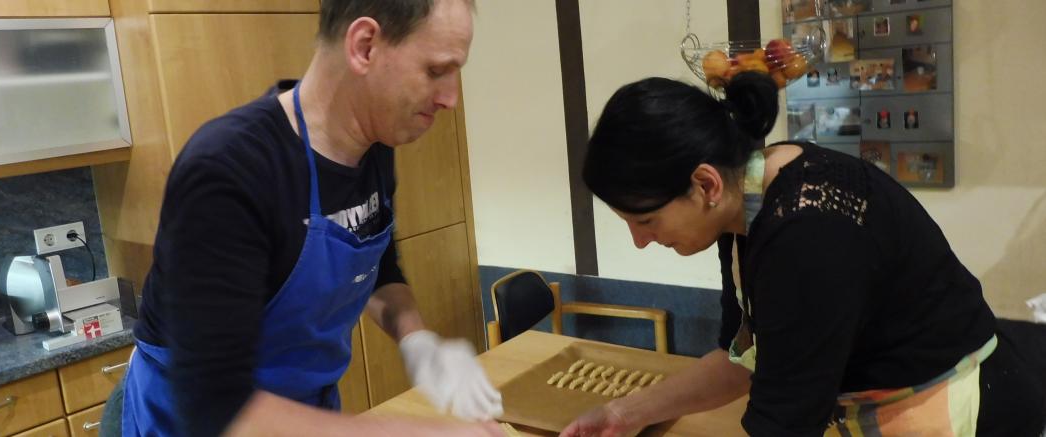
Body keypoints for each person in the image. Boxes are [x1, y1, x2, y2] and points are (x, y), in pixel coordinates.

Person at [560, 72, 1046, 436]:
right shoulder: (748, 199)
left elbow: (783, 422)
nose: (640, 241)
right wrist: (623, 414)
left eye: (645, 221)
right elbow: (743, 359)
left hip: (965, 410)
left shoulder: (806, 235)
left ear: (704, 183)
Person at [118, 1, 505, 436]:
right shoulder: (229, 170)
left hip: (302, 414)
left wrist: (416, 339)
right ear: (365, 45)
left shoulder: (374, 147)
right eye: (436, 71)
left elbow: (378, 268)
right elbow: (217, 407)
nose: (451, 97)